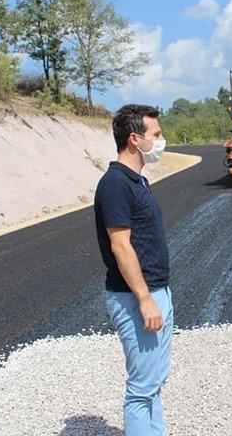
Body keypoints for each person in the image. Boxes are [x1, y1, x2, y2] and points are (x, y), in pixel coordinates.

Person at [94, 104, 173, 436]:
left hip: (155, 291)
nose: (161, 140)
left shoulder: (136, 181)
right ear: (134, 139)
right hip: (135, 299)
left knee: (154, 381)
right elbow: (120, 246)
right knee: (141, 388)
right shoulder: (115, 184)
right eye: (155, 134)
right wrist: (144, 299)